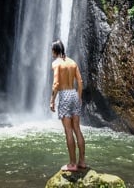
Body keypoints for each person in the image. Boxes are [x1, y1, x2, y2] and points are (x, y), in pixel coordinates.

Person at [49, 39, 87, 172]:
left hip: (64, 95)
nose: (51, 53)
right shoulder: (72, 62)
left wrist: (52, 100)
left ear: (55, 51)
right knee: (77, 129)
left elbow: (56, 84)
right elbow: (80, 82)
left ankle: (72, 164)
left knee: (68, 131)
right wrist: (79, 97)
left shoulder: (56, 64)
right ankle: (82, 161)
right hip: (74, 94)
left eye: (52, 50)